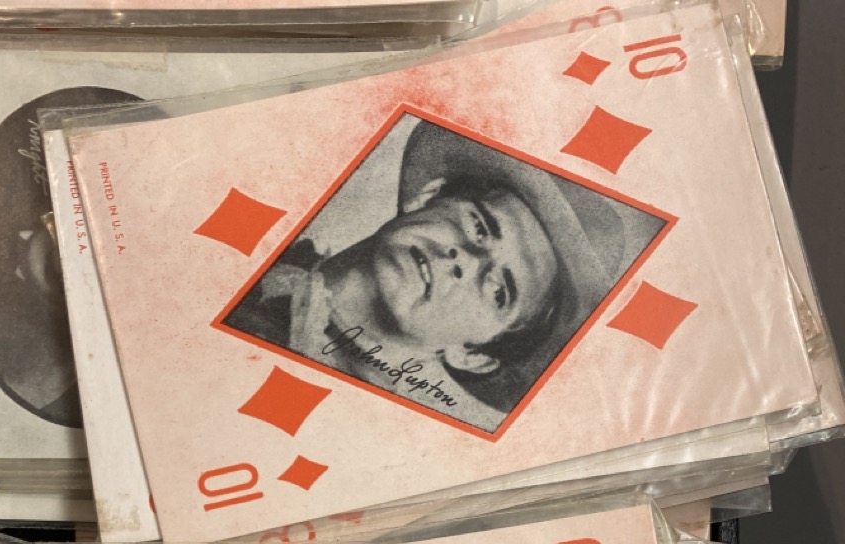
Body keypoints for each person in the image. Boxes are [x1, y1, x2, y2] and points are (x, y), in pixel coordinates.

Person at [223, 116, 659, 430]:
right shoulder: (247, 255)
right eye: (479, 227)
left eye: (499, 291)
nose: (465, 260)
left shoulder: (356, 429)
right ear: (427, 195)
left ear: (472, 355)